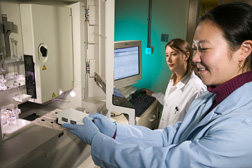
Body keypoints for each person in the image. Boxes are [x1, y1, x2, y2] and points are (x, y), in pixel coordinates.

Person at [63, 2, 252, 168]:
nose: (195, 58)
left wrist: (99, 142)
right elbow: (169, 138)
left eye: (204, 48)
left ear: (244, 50)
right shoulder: (210, 98)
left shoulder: (244, 129)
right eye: (195, 49)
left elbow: (166, 163)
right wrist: (114, 131)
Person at [140, 38, 206, 128]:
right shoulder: (173, 77)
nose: (169, 59)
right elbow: (172, 105)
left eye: (174, 54)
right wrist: (153, 94)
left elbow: (196, 127)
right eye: (167, 55)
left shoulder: (196, 89)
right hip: (163, 136)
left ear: (186, 56)